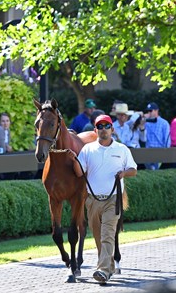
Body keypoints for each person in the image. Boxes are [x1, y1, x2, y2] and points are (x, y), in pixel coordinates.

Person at [68, 114, 137, 284]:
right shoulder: (88, 149)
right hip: (92, 200)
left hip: (113, 199)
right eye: (100, 126)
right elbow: (79, 172)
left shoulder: (122, 149)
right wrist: (74, 160)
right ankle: (109, 266)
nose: (103, 129)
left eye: (107, 126)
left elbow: (133, 170)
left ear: (112, 129)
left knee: (107, 235)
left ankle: (103, 271)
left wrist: (123, 173)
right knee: (98, 236)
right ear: (95, 130)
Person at [144, 102, 171, 170]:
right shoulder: (145, 122)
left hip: (160, 151)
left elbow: (167, 140)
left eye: (150, 111)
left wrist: (165, 153)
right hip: (148, 151)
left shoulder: (164, 123)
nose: (149, 113)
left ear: (156, 111)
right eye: (148, 111)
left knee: (157, 171)